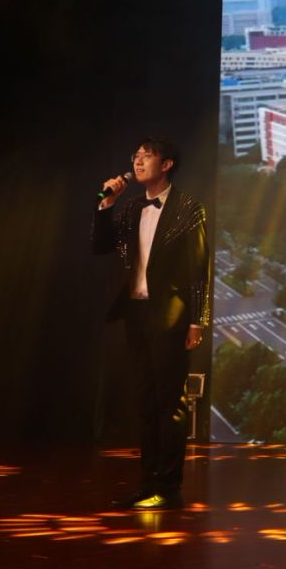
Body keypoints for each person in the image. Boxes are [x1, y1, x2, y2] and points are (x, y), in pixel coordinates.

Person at [92, 138, 212, 510]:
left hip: (171, 314)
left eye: (148, 155)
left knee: (169, 402)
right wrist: (106, 205)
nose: (139, 161)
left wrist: (198, 320)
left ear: (167, 164)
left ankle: (169, 486)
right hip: (137, 313)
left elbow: (199, 269)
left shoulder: (188, 208)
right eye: (136, 156)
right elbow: (101, 246)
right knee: (144, 402)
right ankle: (147, 484)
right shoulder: (130, 207)